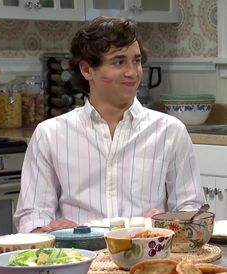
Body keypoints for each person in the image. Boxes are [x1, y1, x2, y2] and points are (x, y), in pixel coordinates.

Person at [14, 16, 205, 233]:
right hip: (78, 258)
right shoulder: (50, 134)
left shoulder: (170, 130)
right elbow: (32, 213)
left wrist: (173, 221)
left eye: (137, 60)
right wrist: (44, 230)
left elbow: (192, 207)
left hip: (148, 257)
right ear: (87, 70)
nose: (132, 72)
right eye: (119, 61)